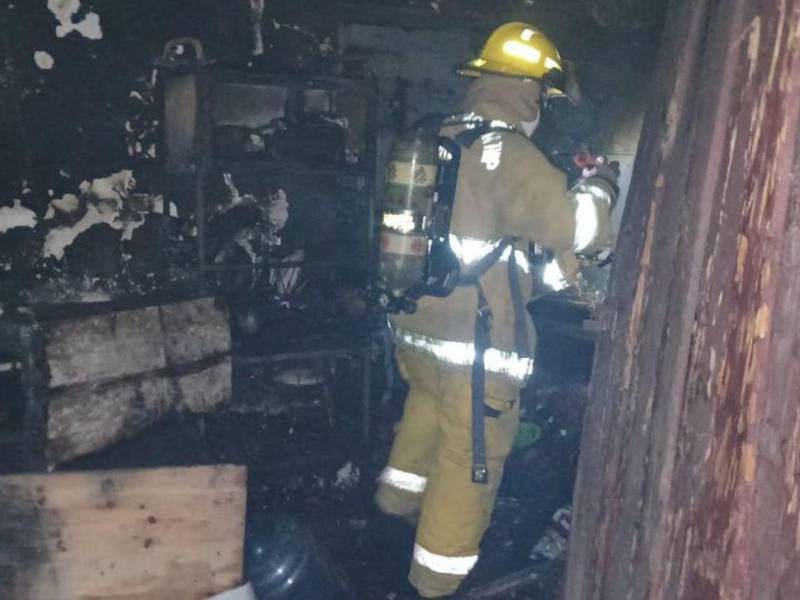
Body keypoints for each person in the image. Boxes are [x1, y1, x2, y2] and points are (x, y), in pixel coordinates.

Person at [375, 22, 617, 598]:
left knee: (425, 417)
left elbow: (496, 265)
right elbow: (578, 227)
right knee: (470, 460)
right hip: (476, 353)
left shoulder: (439, 139)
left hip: (420, 330)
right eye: (542, 98)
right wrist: (602, 184)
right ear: (531, 92)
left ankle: (393, 509)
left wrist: (567, 273)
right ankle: (437, 582)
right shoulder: (508, 153)